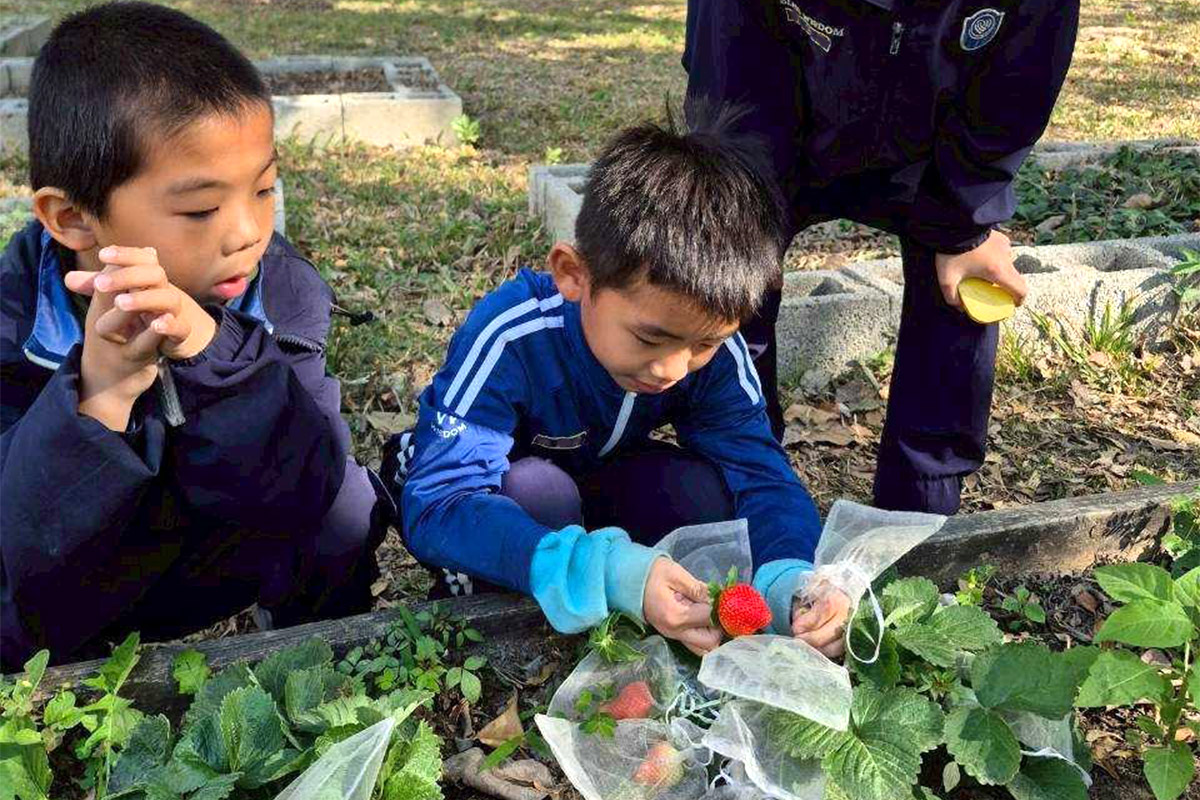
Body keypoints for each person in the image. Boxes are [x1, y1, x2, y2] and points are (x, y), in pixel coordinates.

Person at [0, 2, 389, 670]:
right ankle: (69, 694)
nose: (248, 233)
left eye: (264, 190)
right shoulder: (14, 320)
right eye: (202, 208)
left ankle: (312, 648)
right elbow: (19, 539)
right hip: (85, 578)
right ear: (73, 218)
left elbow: (308, 480)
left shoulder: (282, 289)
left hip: (216, 545)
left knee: (344, 506)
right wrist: (98, 396)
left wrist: (215, 355)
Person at [386, 106, 850, 657]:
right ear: (574, 275)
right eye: (650, 338)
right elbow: (440, 501)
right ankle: (502, 603)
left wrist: (792, 583)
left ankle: (613, 577)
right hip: (495, 487)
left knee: (701, 495)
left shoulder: (715, 352)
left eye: (702, 344)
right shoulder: (513, 335)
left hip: (597, 474)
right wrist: (610, 572)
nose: (672, 369)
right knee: (537, 493)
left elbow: (760, 475)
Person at [683, 0, 1079, 514]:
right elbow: (729, 81)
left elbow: (1019, 85)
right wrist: (745, 217)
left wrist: (963, 221)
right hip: (780, 118)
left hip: (934, 141)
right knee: (730, 269)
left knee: (965, 279)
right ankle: (742, 474)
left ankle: (921, 501)